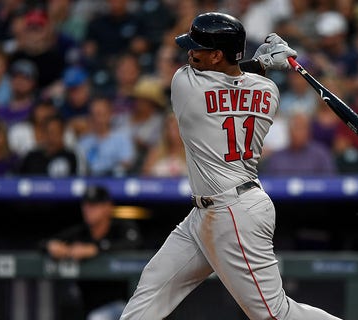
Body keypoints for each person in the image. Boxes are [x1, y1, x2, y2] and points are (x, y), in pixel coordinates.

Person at [119, 12, 342, 320]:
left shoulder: (185, 85)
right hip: (208, 214)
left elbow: (223, 79)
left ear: (217, 55)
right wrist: (262, 65)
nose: (190, 52)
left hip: (232, 211)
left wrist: (261, 62)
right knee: (152, 289)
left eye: (199, 48)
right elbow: (234, 77)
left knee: (272, 314)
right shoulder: (269, 92)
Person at [43, 184, 142, 320]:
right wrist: (54, 247)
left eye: (95, 205)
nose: (88, 210)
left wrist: (96, 248)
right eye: (86, 205)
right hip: (89, 306)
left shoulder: (121, 227)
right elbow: (45, 243)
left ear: (108, 207)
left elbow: (134, 244)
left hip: (124, 305)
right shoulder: (80, 232)